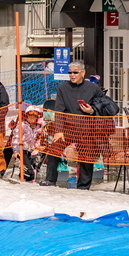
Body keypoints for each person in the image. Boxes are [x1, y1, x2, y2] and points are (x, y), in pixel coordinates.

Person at [41, 61, 103, 189]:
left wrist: (92, 110)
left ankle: (83, 187)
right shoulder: (63, 88)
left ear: (83, 72)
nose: (72, 75)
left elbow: (103, 106)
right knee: (54, 148)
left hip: (87, 129)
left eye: (75, 72)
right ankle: (50, 181)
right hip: (68, 128)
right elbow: (59, 110)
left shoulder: (93, 88)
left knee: (86, 155)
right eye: (70, 72)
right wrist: (59, 130)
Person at [5, 105, 44, 182]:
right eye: (30, 116)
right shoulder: (22, 125)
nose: (32, 118)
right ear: (27, 116)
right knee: (30, 172)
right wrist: (16, 151)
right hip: (22, 150)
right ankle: (22, 179)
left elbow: (34, 141)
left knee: (28, 170)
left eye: (34, 116)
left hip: (30, 151)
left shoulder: (36, 128)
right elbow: (16, 138)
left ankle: (23, 180)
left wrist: (37, 147)